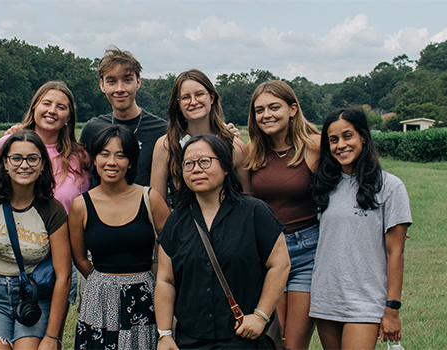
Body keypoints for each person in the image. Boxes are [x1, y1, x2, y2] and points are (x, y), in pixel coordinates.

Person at [155, 134, 290, 349]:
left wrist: (260, 316)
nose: (196, 169)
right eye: (188, 164)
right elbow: (165, 280)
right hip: (191, 340)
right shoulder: (176, 221)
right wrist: (165, 334)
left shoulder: (255, 212)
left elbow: (280, 264)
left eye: (205, 161)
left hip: (243, 337)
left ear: (226, 167)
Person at [310, 108, 411, 350]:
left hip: (365, 301)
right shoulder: (324, 185)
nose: (341, 145)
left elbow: (395, 253)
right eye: (333, 140)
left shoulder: (390, 186)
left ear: (363, 137)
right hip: (326, 297)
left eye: (348, 136)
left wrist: (392, 309)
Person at [0, 130, 72, 350]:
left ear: (42, 164)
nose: (25, 165)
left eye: (33, 158)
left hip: (34, 295)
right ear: (5, 163)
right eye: (16, 158)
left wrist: (52, 336)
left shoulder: (53, 210)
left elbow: (64, 275)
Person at [69, 125, 170, 349]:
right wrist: (105, 283)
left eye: (120, 155)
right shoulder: (81, 205)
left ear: (131, 162)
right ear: (94, 160)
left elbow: (172, 248)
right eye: (104, 154)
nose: (111, 162)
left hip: (144, 296)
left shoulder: (150, 198)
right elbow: (80, 258)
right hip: (99, 299)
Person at [246, 80, 321, 349]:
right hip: (268, 253)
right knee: (274, 339)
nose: (266, 115)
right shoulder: (252, 150)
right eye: (259, 110)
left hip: (307, 252)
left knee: (295, 343)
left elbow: (353, 181)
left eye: (274, 107)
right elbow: (245, 201)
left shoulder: (314, 146)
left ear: (292, 109)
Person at [151, 69, 249, 201]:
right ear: (178, 105)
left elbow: (247, 197)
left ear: (212, 98)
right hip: (181, 220)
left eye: (199, 94)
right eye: (186, 97)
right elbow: (157, 202)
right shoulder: (165, 145)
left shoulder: (234, 145)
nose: (193, 101)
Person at [78, 46, 168, 187]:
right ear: (102, 85)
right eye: (112, 81)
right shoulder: (92, 130)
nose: (120, 89)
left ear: (138, 82)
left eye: (127, 80)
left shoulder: (162, 131)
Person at [0, 81, 90, 212]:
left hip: (65, 231)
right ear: (34, 106)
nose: (52, 111)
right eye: (46, 103)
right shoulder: (8, 144)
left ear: (68, 118)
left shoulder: (80, 157)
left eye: (61, 107)